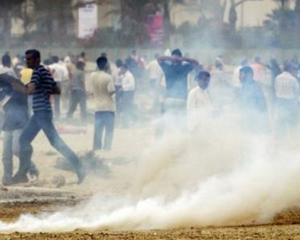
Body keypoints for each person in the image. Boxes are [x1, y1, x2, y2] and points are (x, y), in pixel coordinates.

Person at [12, 49, 84, 184]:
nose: (27, 61)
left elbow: (29, 91)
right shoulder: (44, 71)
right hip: (40, 113)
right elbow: (57, 90)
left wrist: (15, 85)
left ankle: (79, 167)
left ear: (37, 60)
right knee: (24, 140)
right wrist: (44, 86)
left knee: (55, 142)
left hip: (42, 113)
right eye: (26, 59)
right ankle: (23, 172)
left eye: (30, 59)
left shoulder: (38, 72)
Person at [0, 71, 38, 185]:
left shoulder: (19, 90)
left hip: (20, 124)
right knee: (6, 154)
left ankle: (31, 168)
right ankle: (7, 177)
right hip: (8, 125)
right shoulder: (4, 91)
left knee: (16, 149)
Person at [90, 56, 116, 151]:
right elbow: (111, 92)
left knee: (98, 130)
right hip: (108, 108)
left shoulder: (92, 76)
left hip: (97, 107)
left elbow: (91, 91)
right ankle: (107, 148)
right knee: (109, 130)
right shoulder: (108, 77)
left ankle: (96, 148)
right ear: (106, 65)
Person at [238, 66, 268, 132]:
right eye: (239, 75)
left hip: (255, 120)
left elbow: (261, 105)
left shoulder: (254, 86)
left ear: (249, 75)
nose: (239, 77)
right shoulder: (245, 86)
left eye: (241, 74)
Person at [274, 62, 299, 134]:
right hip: (289, 102)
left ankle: (282, 137)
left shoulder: (277, 77)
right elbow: (297, 92)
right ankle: (291, 136)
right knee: (291, 120)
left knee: (281, 120)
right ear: (290, 69)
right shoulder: (293, 79)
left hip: (279, 101)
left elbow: (275, 88)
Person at [119, 63, 136, 128]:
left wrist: (123, 87)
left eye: (122, 69)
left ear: (125, 69)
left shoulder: (129, 75)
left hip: (129, 93)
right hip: (125, 93)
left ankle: (127, 123)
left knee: (127, 108)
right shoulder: (124, 75)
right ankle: (125, 123)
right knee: (125, 108)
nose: (121, 70)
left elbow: (132, 85)